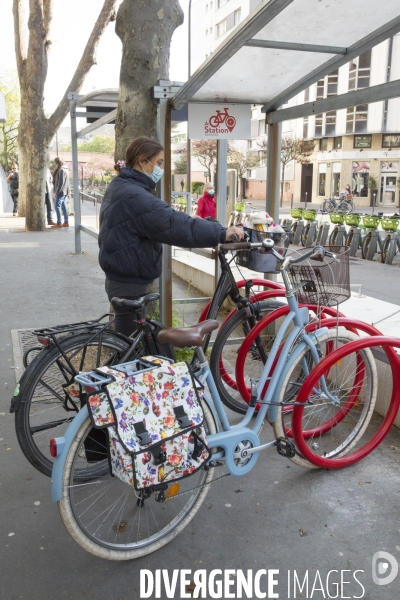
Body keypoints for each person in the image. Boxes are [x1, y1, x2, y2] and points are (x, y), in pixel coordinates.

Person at [98, 137, 243, 336]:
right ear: (142, 161)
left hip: (121, 278)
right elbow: (174, 224)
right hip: (129, 283)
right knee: (128, 350)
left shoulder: (121, 186)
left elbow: (169, 220)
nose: (160, 169)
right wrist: (220, 233)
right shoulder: (134, 195)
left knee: (129, 342)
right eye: (158, 163)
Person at [52, 157, 70, 228]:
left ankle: (59, 222)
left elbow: (60, 183)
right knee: (64, 207)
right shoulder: (66, 170)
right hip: (65, 191)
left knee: (57, 206)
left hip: (61, 192)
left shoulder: (62, 170)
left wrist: (56, 192)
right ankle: (66, 222)